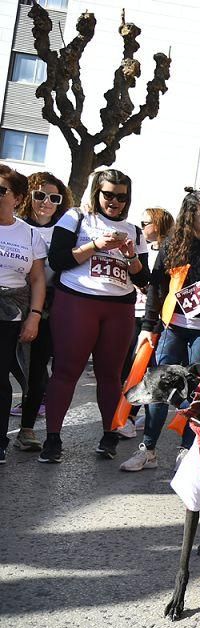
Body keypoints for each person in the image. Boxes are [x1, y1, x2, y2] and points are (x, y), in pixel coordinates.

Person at [121, 189, 200, 472]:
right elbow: (157, 287)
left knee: (198, 392)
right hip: (173, 327)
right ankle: (148, 449)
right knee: (158, 388)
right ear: (190, 216)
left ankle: (187, 450)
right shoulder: (173, 244)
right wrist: (148, 326)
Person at [41, 169, 150, 463]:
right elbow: (58, 259)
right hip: (77, 300)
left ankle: (109, 434)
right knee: (66, 371)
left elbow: (144, 280)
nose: (115, 201)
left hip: (119, 306)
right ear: (97, 193)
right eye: (108, 195)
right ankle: (52, 439)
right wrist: (95, 246)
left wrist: (129, 257)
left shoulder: (134, 230)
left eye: (121, 197)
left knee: (111, 375)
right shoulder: (77, 217)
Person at [11, 172, 74, 451]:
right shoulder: (16, 226)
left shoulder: (66, 232)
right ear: (28, 197)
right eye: (39, 195)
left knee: (37, 372)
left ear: (61, 202)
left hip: (47, 309)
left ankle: (26, 429)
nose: (46, 202)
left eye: (53, 197)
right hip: (12, 301)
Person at [0, 166, 46, 464]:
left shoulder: (30, 234)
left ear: (17, 198)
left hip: (10, 312)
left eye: (1, 190)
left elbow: (38, 279)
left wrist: (35, 315)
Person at [116, 207, 173, 439]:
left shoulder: (169, 249)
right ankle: (126, 414)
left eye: (146, 222)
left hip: (156, 320)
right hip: (134, 312)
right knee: (129, 367)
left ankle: (129, 417)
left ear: (158, 224)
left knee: (144, 369)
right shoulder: (141, 247)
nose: (141, 226)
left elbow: (160, 286)